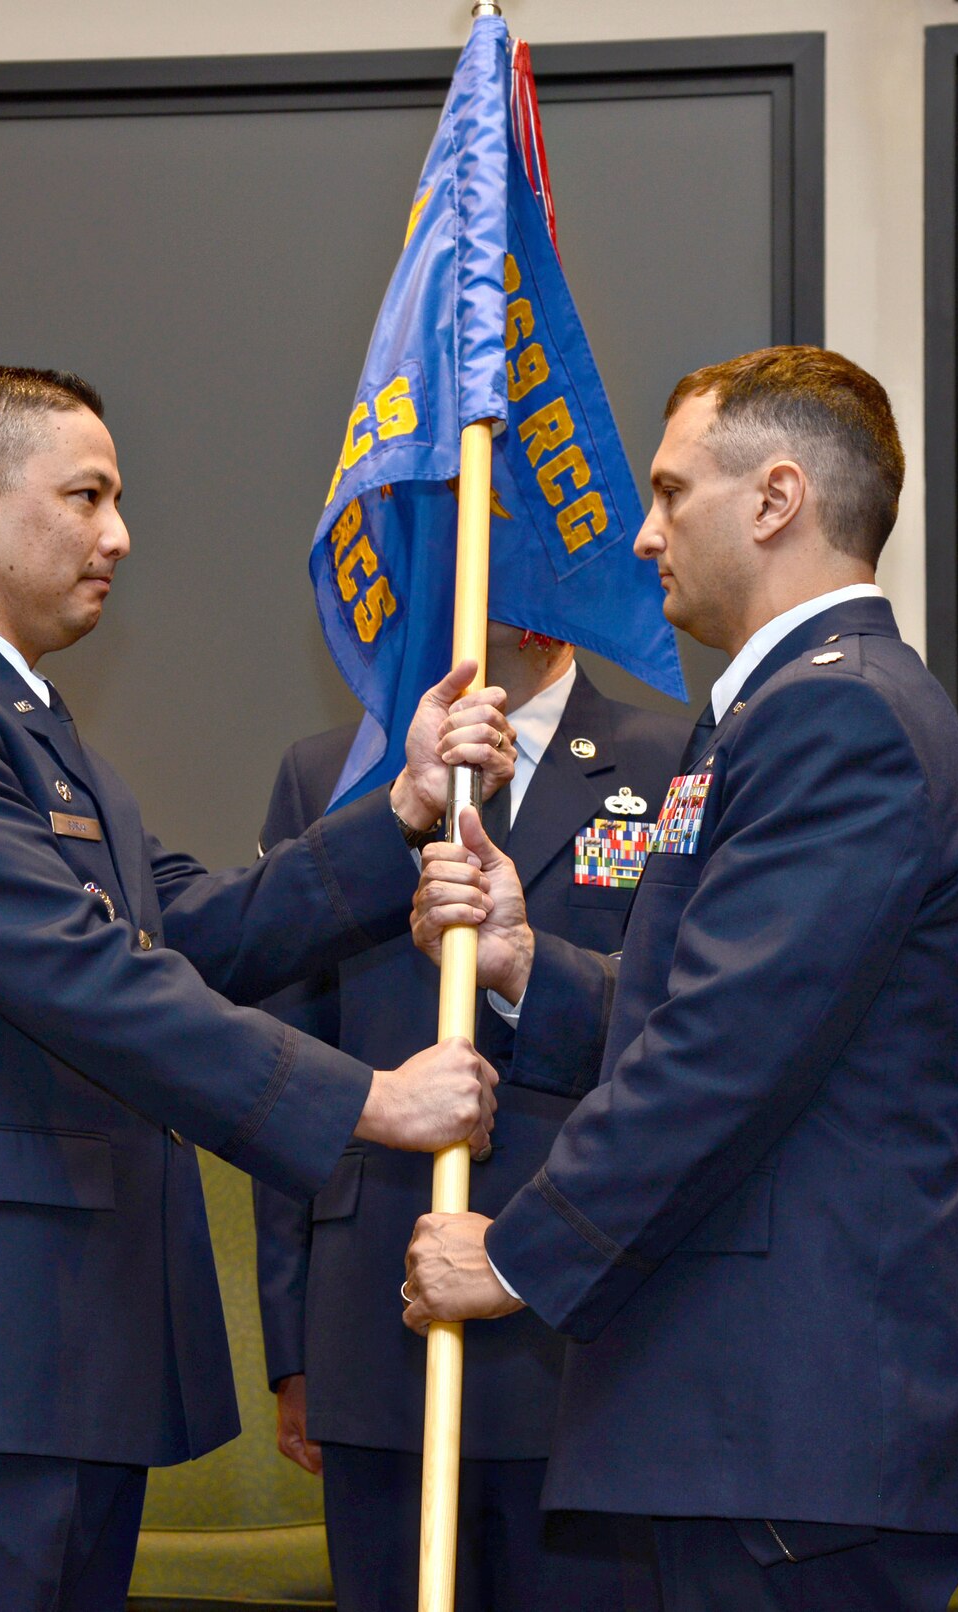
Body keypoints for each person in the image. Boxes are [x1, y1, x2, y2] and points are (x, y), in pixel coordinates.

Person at [0, 365, 514, 1612]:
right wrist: (366, 1103)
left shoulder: (23, 718)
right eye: (88, 495)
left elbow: (179, 923)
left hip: (54, 1349)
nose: (119, 534)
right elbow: (84, 974)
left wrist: (395, 813)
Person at [404, 347, 958, 1612]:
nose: (639, 536)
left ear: (774, 498)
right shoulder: (778, 709)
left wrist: (515, 1254)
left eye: (668, 492)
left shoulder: (833, 717)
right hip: (756, 1416)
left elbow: (724, 1053)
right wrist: (527, 965)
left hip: (796, 1415)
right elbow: (712, 1005)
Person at [253, 621, 686, 1611]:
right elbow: (286, 1058)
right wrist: (292, 1343)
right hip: (376, 1320)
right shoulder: (341, 771)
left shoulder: (667, 764)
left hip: (585, 1330)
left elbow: (681, 1038)